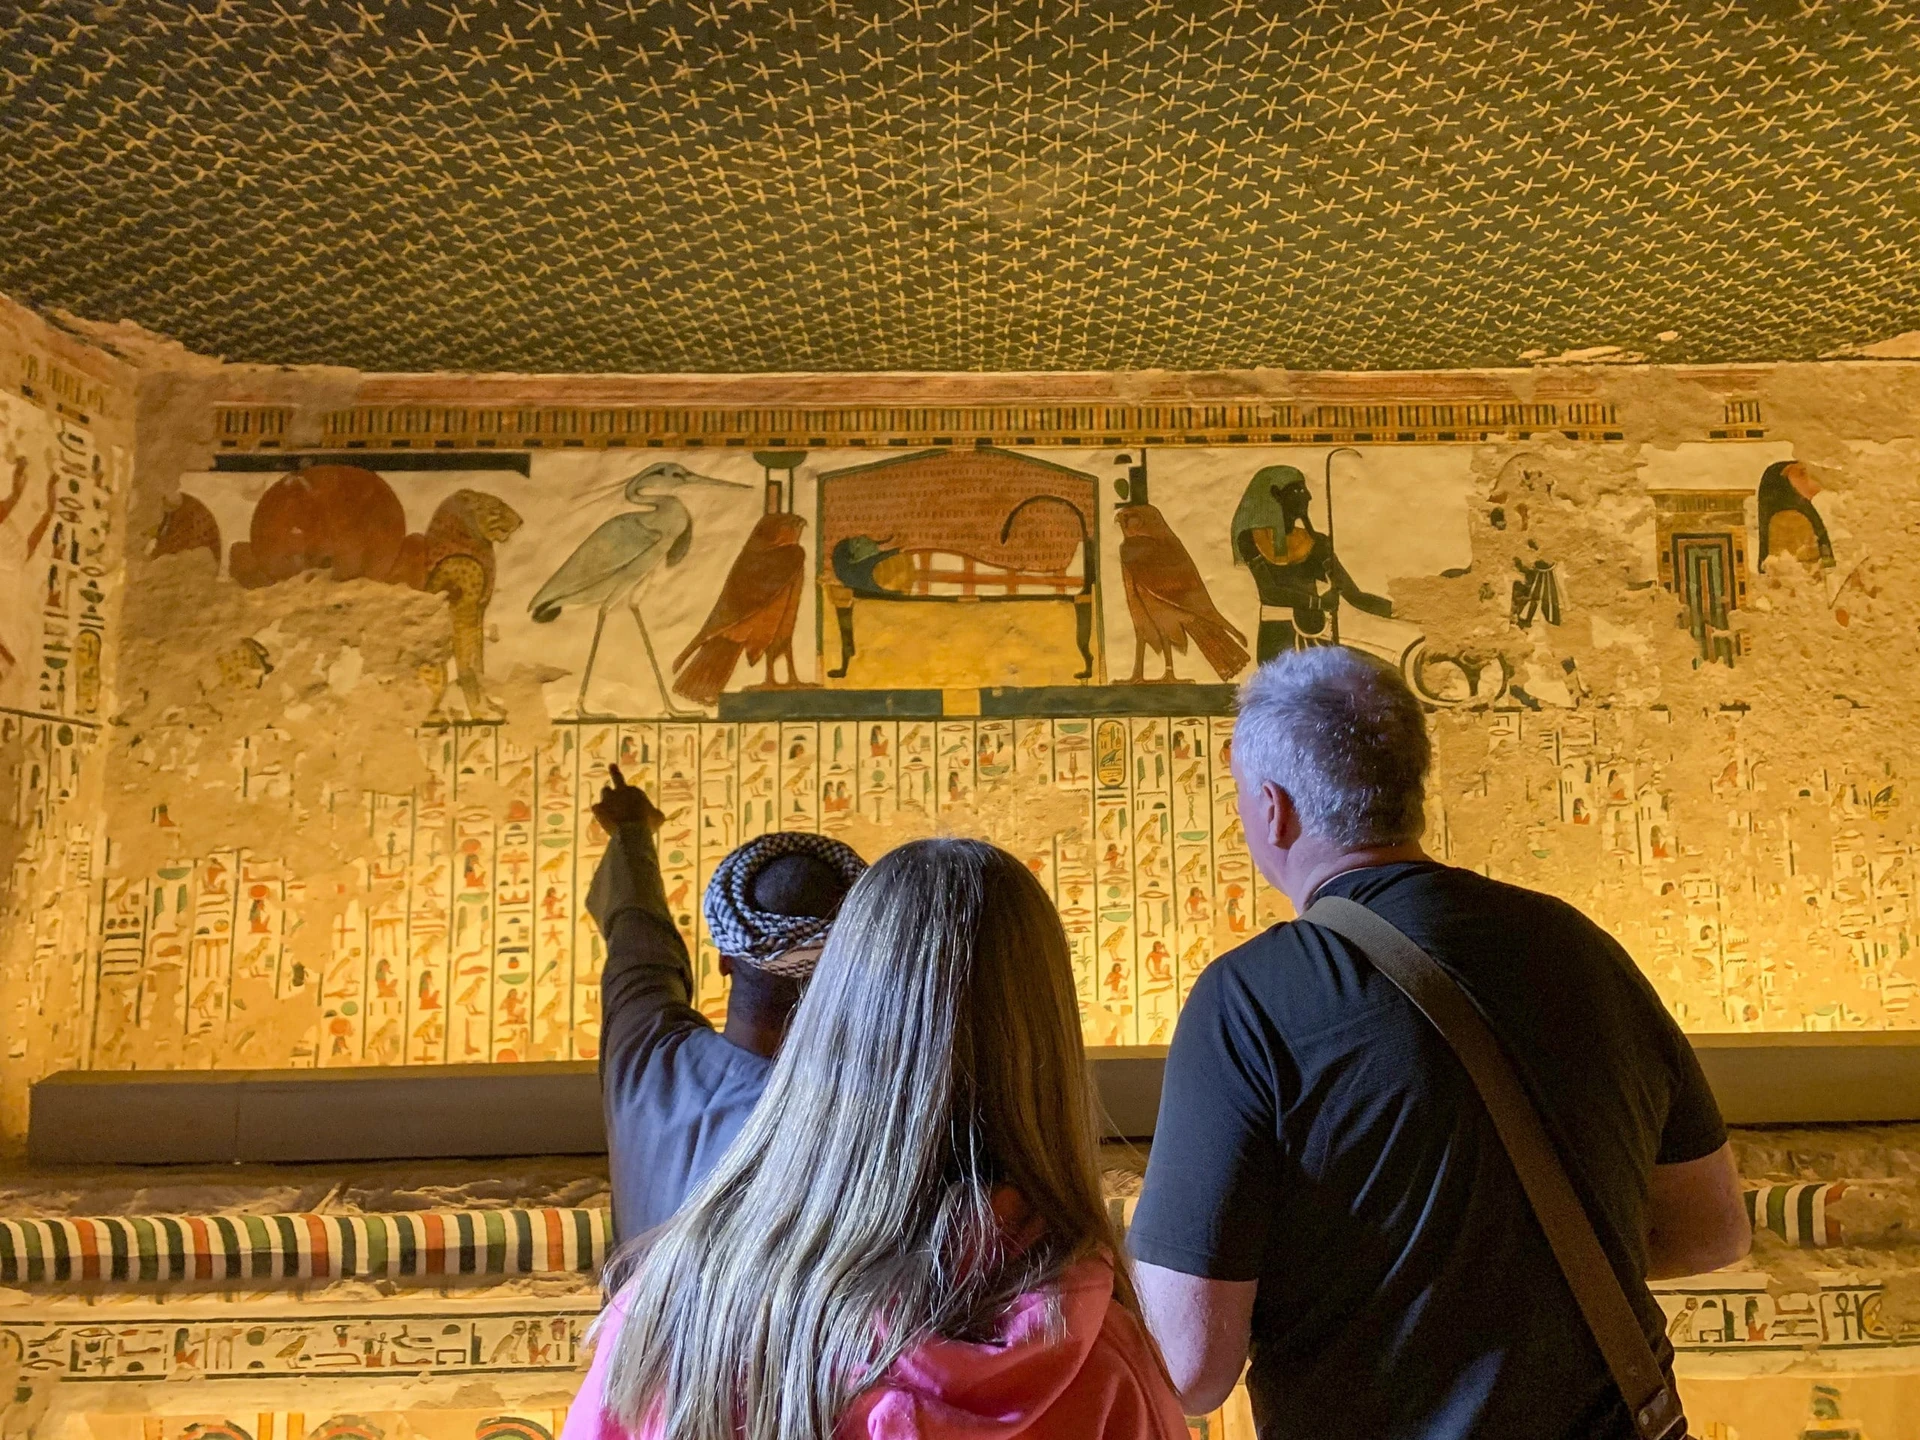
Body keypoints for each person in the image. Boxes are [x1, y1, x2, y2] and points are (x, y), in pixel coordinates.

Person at [1127, 647, 1750, 1440]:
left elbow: (1187, 1366)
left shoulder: (1249, 1001)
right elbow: (1711, 1229)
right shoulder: (1578, 949)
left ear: (1273, 808)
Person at [563, 838, 1186, 1440]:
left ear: (832, 1002)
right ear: (1048, 1042)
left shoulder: (671, 1313)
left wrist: (630, 838)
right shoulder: (1099, 1368)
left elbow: (636, 959)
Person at [588, 764, 866, 1242]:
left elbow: (637, 944)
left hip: (634, 1321)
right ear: (848, 976)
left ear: (725, 959)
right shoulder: (853, 1124)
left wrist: (631, 832)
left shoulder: (644, 1062)